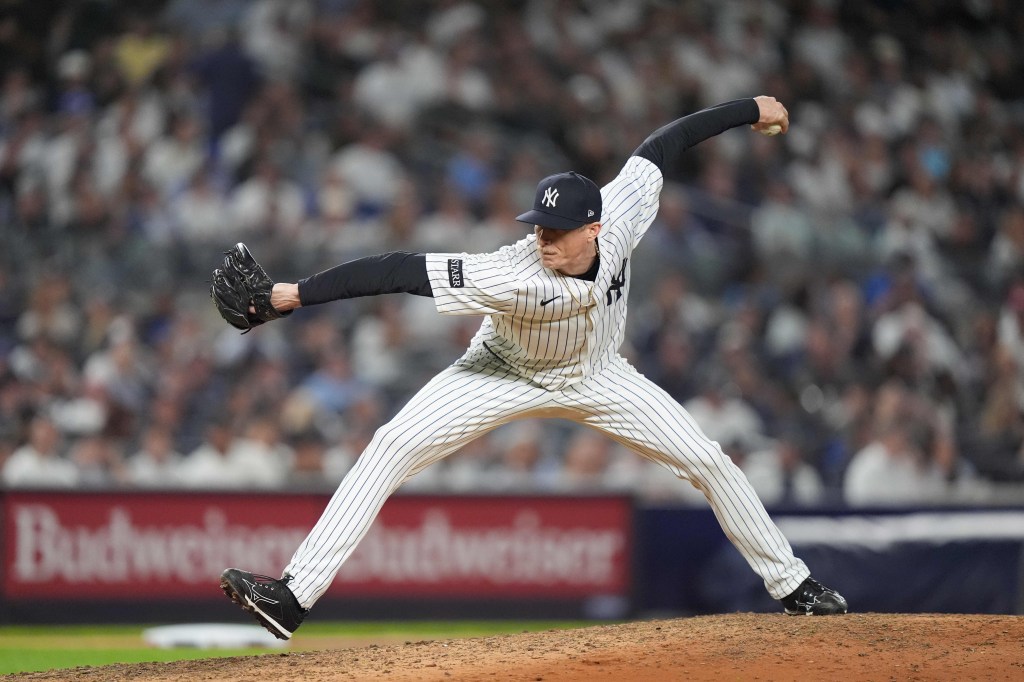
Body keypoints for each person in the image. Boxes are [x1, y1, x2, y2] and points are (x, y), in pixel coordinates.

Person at [219, 96, 848, 640]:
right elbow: (399, 270)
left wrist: (749, 111)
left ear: (595, 227)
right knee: (390, 444)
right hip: (497, 372)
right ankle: (293, 596)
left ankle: (795, 586)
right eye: (538, 223)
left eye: (557, 228)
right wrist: (290, 295)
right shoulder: (516, 275)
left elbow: (665, 142)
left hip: (600, 374)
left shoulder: (621, 215)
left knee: (709, 460)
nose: (542, 236)